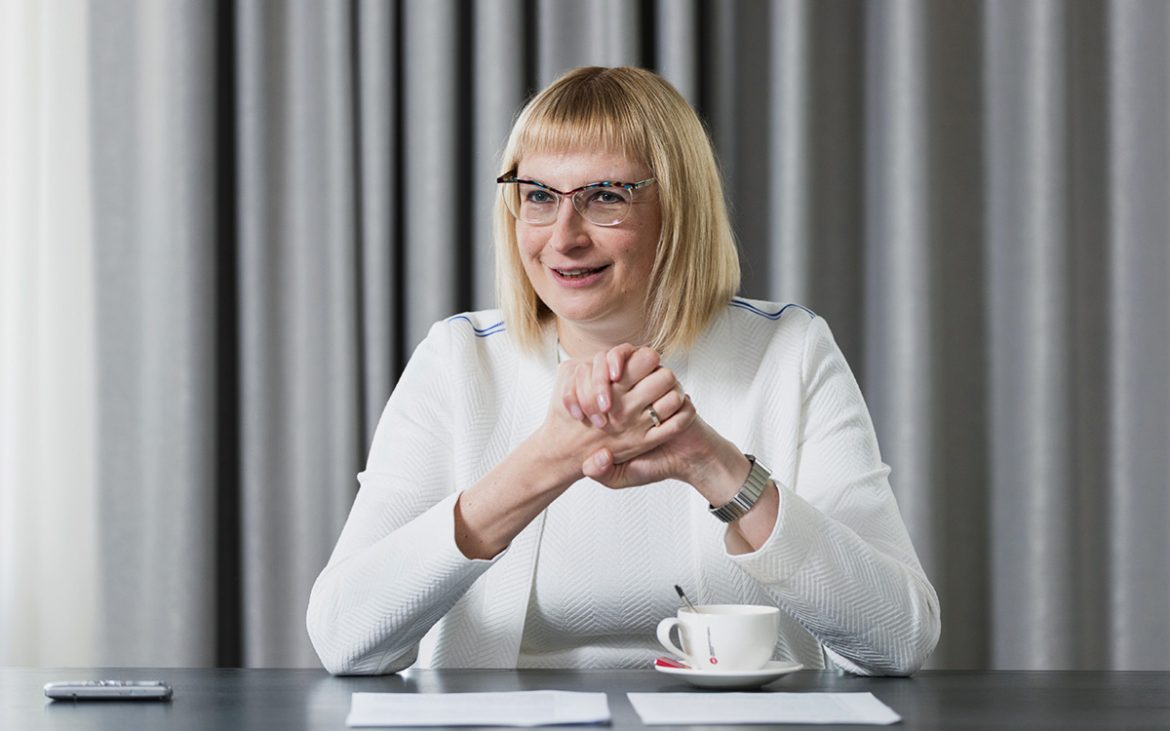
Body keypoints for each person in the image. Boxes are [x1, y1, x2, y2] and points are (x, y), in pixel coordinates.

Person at [306, 66, 940, 676]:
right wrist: (550, 460)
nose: (563, 238)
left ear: (680, 210)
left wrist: (715, 466)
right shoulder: (458, 359)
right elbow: (345, 640)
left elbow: (898, 640)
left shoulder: (788, 350)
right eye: (539, 197)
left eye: (605, 197)